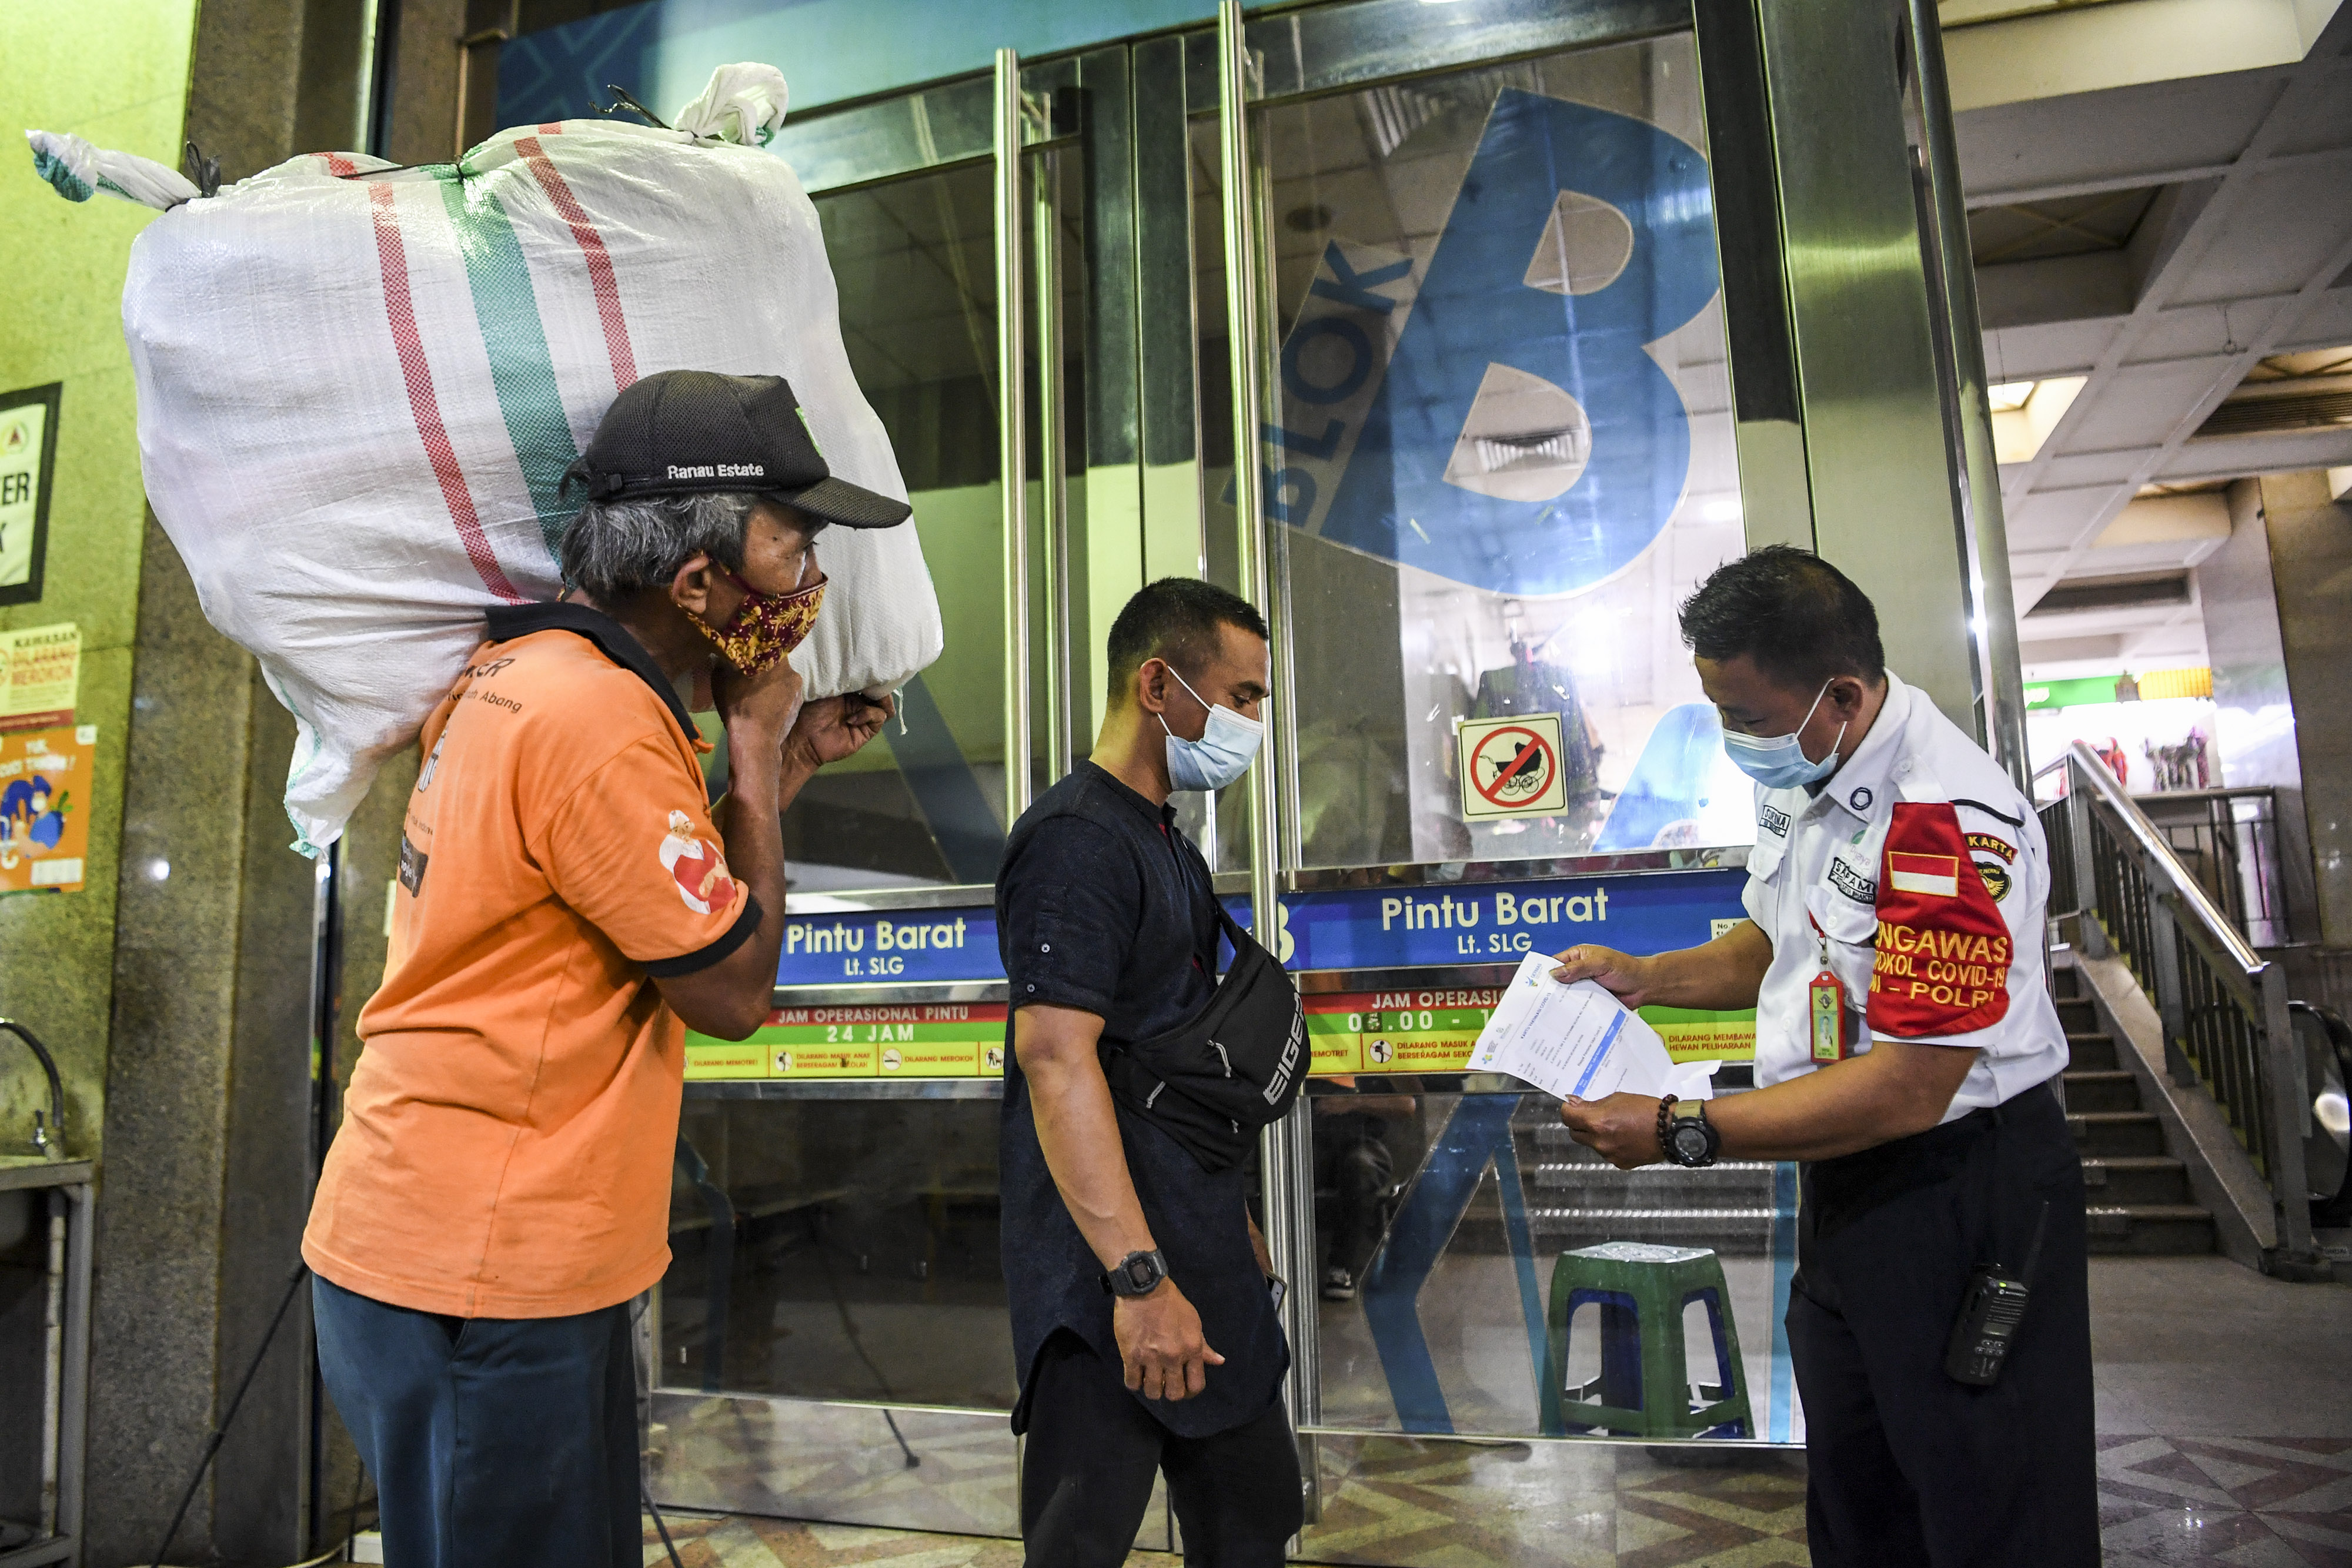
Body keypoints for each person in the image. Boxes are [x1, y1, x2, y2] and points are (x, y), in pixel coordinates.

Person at [301, 370, 909, 1568]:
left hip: (448, 1240)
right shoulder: (601, 725)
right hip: (488, 1264)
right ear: (698, 583)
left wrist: (783, 768)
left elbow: (640, 892)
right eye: (793, 548)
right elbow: (731, 990)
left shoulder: (520, 675)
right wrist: (751, 742)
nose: (811, 582)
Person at [1552, 546, 2097, 1567]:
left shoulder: (1944, 822)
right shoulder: (1813, 770)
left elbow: (1913, 1086)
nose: (1733, 738)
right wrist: (1647, 975)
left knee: (1985, 1500)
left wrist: (1679, 1130)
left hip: (1960, 1189)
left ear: (1841, 695)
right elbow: (1777, 938)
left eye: (1746, 717)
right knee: (1859, 1492)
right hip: (1847, 1184)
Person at [996, 577, 1304, 1567]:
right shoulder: (1077, 842)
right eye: (1242, 696)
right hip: (1111, 1284)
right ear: (1159, 685)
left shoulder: (1164, 837)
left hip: (1198, 1250)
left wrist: (1228, 1214)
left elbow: (1174, 1055)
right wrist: (1138, 1278)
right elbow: (1056, 1059)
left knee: (1253, 1522)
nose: (1253, 722)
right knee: (1080, 1544)